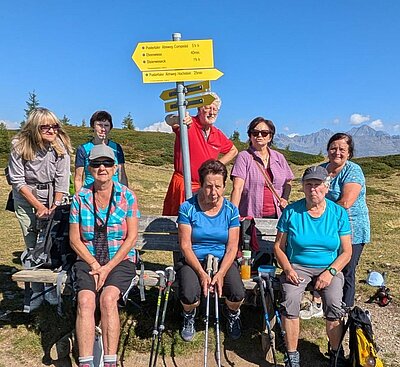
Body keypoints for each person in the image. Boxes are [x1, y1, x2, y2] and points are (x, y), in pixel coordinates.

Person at [274, 166, 352, 367]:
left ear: (326, 188)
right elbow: (278, 247)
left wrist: (331, 272)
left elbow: (346, 252)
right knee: (290, 299)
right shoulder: (291, 211)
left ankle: (336, 353)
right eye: (309, 184)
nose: (313, 189)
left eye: (318, 185)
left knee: (335, 304)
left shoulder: (338, 213)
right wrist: (288, 269)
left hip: (330, 266)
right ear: (303, 187)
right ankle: (292, 355)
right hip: (298, 266)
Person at [69, 144, 140, 367]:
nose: (102, 167)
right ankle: (86, 362)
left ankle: (110, 361)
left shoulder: (127, 196)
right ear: (89, 168)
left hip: (119, 260)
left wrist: (107, 268)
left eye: (107, 163)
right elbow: (74, 239)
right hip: (88, 259)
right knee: (85, 300)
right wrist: (93, 263)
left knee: (108, 300)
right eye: (96, 163)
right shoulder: (80, 198)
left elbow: (131, 238)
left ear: (115, 167)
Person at [301, 133, 371, 320]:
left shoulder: (353, 171)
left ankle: (344, 310)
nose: (337, 152)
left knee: (346, 269)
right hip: (325, 228)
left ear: (349, 153)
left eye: (342, 149)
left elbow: (346, 202)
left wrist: (319, 212)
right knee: (323, 262)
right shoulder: (322, 169)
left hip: (352, 227)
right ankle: (318, 304)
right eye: (333, 147)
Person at [8, 107, 72, 309]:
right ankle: (36, 290)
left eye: (55, 126)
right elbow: (17, 180)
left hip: (52, 195)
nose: (52, 130)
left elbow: (62, 179)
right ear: (36, 127)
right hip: (26, 197)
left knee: (51, 243)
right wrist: (38, 206)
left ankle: (50, 288)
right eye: (47, 127)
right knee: (32, 243)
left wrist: (55, 206)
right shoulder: (20, 146)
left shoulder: (59, 147)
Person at [176, 159, 245, 342]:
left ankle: (231, 312)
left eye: (218, 187)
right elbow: (185, 245)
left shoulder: (231, 210)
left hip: (223, 259)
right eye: (208, 187)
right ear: (200, 184)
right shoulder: (187, 208)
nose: (213, 192)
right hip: (194, 260)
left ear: (224, 186)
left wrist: (221, 273)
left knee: (238, 292)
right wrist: (200, 272)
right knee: (189, 294)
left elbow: (232, 247)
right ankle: (189, 314)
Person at [162, 93, 238, 215]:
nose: (211, 112)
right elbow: (169, 119)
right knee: (178, 224)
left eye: (215, 109)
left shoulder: (217, 134)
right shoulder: (189, 123)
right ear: (199, 109)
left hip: (205, 188)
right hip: (183, 185)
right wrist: (179, 119)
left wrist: (215, 166)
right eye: (207, 108)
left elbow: (233, 150)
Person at [230, 117, 294, 218]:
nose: (259, 135)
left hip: (277, 216)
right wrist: (233, 215)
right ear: (250, 136)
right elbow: (237, 188)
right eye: (255, 133)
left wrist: (285, 199)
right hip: (250, 216)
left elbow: (288, 181)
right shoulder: (244, 157)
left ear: (270, 137)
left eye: (264, 133)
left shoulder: (279, 157)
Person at [74, 110, 128, 192]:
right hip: (90, 193)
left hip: (114, 192)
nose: (103, 129)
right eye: (99, 125)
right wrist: (79, 199)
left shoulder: (116, 148)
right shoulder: (83, 149)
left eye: (106, 125)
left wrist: (125, 195)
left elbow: (122, 175)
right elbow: (78, 178)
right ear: (93, 126)